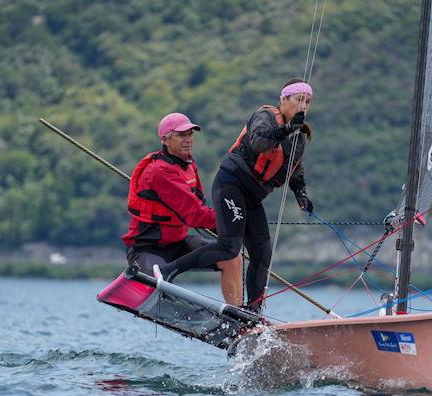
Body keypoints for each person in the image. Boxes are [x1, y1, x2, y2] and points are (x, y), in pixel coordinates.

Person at [155, 79, 315, 314]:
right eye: (299, 100)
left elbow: (294, 169)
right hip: (232, 184)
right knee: (230, 247)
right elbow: (259, 142)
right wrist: (287, 129)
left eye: (308, 102)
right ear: (284, 100)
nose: (303, 106)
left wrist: (301, 195)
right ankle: (168, 270)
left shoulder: (298, 137)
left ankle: (253, 310)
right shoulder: (266, 116)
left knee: (262, 253)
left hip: (252, 196)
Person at [122, 112, 243, 306]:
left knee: (231, 256)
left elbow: (200, 205)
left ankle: (239, 317)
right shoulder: (159, 171)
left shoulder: (188, 163)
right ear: (165, 139)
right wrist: (233, 222)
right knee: (156, 284)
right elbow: (195, 215)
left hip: (178, 242)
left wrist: (229, 227)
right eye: (181, 135)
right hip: (148, 246)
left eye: (190, 135)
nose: (188, 140)